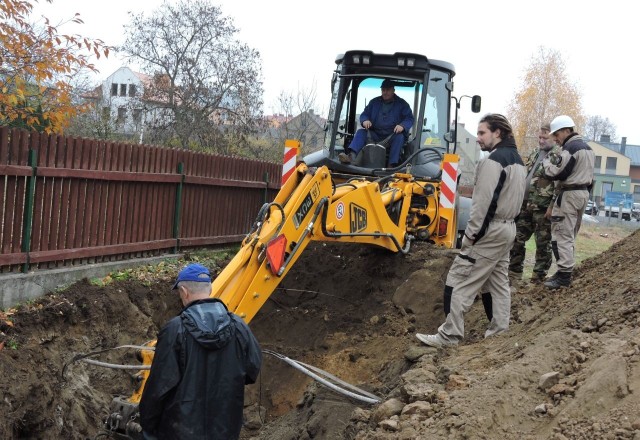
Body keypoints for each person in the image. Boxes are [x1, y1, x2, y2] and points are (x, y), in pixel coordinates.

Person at [416, 114, 526, 347]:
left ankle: (449, 335)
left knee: (458, 279)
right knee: (497, 283)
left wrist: (470, 237)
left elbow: (481, 205)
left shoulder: (492, 162)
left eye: (482, 133)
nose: (478, 139)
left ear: (498, 133)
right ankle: (499, 334)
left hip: (490, 231)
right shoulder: (518, 161)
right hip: (508, 229)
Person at [140, 263, 262, 440]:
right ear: (210, 289)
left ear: (184, 291)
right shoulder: (238, 326)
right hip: (225, 429)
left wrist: (148, 428)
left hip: (179, 431)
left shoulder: (175, 330)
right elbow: (252, 369)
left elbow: (159, 387)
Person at [542, 115, 595, 289]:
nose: (555, 139)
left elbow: (558, 173)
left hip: (570, 195)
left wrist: (547, 164)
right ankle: (564, 271)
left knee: (561, 234)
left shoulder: (571, 147)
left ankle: (563, 276)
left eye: (557, 134)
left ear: (567, 130)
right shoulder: (588, 148)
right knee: (570, 234)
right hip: (583, 193)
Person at [508, 123, 561, 286]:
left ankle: (537, 279)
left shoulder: (558, 156)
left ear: (554, 138)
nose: (541, 140)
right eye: (539, 137)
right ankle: (514, 274)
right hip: (525, 205)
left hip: (543, 208)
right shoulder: (534, 153)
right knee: (516, 239)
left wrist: (552, 206)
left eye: (545, 137)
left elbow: (559, 184)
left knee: (542, 245)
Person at [338, 78, 414, 167]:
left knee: (400, 137)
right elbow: (364, 114)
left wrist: (402, 125)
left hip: (391, 135)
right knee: (361, 132)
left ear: (393, 90)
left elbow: (409, 118)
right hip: (374, 134)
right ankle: (351, 157)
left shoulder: (402, 104)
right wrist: (365, 120)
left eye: (388, 90)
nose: (385, 92)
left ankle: (392, 165)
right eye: (383, 90)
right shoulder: (374, 103)